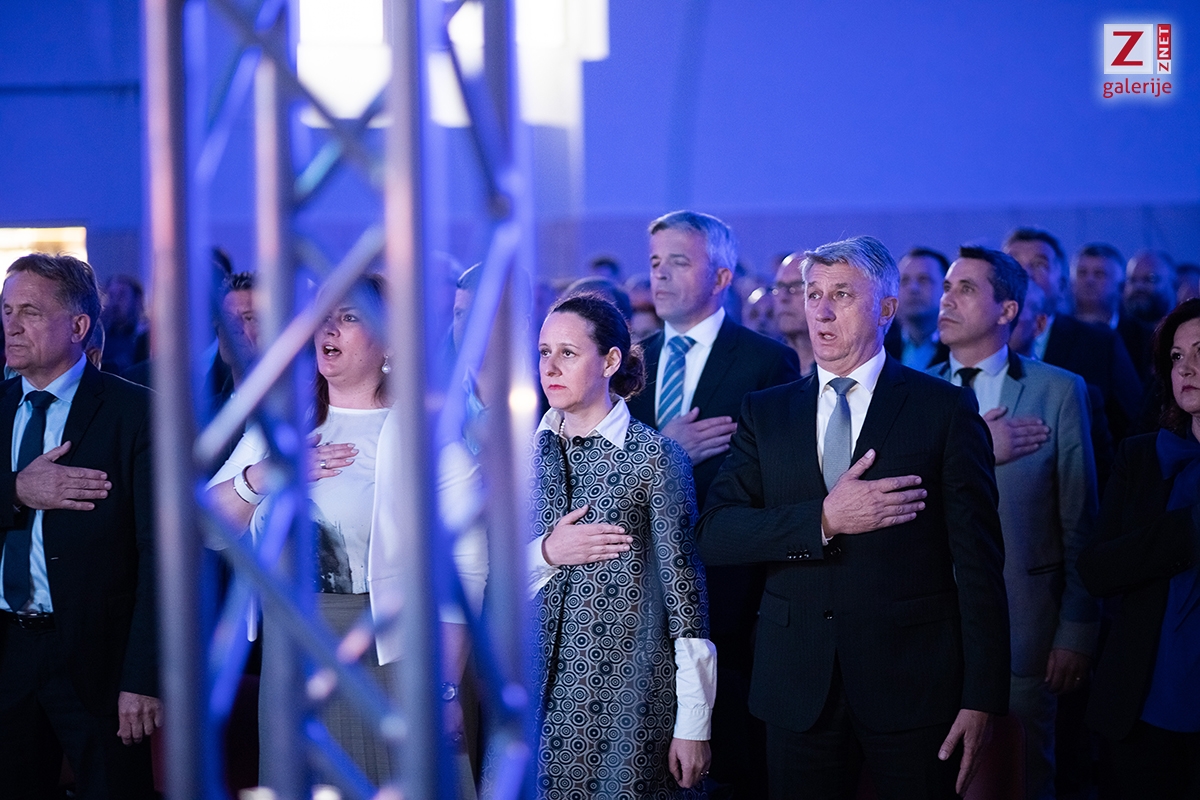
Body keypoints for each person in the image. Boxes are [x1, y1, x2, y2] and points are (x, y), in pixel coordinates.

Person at [696, 235, 1010, 799]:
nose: (820, 310)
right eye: (813, 293)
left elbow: (979, 564)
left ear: (886, 307)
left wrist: (982, 696)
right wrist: (822, 520)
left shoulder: (942, 408)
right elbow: (715, 533)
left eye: (841, 294)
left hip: (913, 684)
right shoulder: (767, 412)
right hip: (796, 684)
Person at [206, 274, 485, 788]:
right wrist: (263, 476)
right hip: (291, 652)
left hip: (386, 653)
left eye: (350, 316)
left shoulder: (428, 438)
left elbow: (466, 571)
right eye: (324, 316)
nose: (328, 328)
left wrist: (446, 688)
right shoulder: (282, 423)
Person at [627, 210, 799, 797]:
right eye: (655, 262)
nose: (660, 274)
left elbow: (781, 482)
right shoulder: (629, 359)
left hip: (728, 590)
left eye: (678, 261)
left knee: (729, 761)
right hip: (639, 582)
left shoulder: (765, 360)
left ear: (722, 277)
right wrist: (665, 448)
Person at [930, 246, 1100, 800]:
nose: (947, 299)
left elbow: (1080, 519)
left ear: (1008, 311)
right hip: (929, 628)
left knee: (1022, 779)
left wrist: (1076, 629)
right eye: (946, 287)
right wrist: (981, 445)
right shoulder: (914, 389)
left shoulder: (1058, 390)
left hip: (1024, 626)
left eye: (966, 289)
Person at [529, 292, 713, 799]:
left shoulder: (656, 458)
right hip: (531, 697)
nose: (551, 367)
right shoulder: (524, 455)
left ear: (610, 361)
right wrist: (547, 552)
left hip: (628, 700)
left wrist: (694, 722)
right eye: (544, 352)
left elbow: (686, 598)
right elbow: (489, 581)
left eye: (568, 353)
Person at [0, 253, 160, 798]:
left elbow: (161, 556)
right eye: (6, 311)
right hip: (8, 652)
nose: (12, 325)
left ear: (78, 326)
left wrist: (142, 678)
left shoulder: (136, 412)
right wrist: (17, 489)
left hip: (100, 661)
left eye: (29, 312)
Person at [1077, 298, 1200, 799]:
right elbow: (1097, 569)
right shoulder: (1143, 456)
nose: (1186, 368)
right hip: (1140, 706)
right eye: (1176, 356)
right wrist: (1189, 527)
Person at [1004, 227, 1143, 444]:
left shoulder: (1100, 344)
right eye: (1014, 264)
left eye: (1039, 264)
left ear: (1062, 284)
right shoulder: (977, 340)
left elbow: (1135, 427)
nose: (1025, 274)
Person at [1072, 243, 1154, 382]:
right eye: (1082, 273)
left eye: (1099, 274)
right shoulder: (1055, 333)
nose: (1089, 280)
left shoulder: (1144, 340)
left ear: (1121, 286)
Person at [884, 247, 950, 369]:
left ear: (947, 288)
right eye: (904, 281)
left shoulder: (962, 349)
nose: (913, 288)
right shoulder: (880, 350)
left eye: (924, 279)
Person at [772, 253, 815, 375]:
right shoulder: (763, 365)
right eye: (779, 286)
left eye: (797, 286)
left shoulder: (842, 367)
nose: (783, 297)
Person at [99, 274, 150, 376]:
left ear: (137, 300)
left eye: (121, 295)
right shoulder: (100, 337)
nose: (115, 302)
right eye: (111, 296)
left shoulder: (147, 337)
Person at [1124, 250, 1176, 328]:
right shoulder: (1114, 333)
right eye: (1132, 280)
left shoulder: (1189, 330)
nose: (1139, 287)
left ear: (1173, 283)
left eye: (1150, 279)